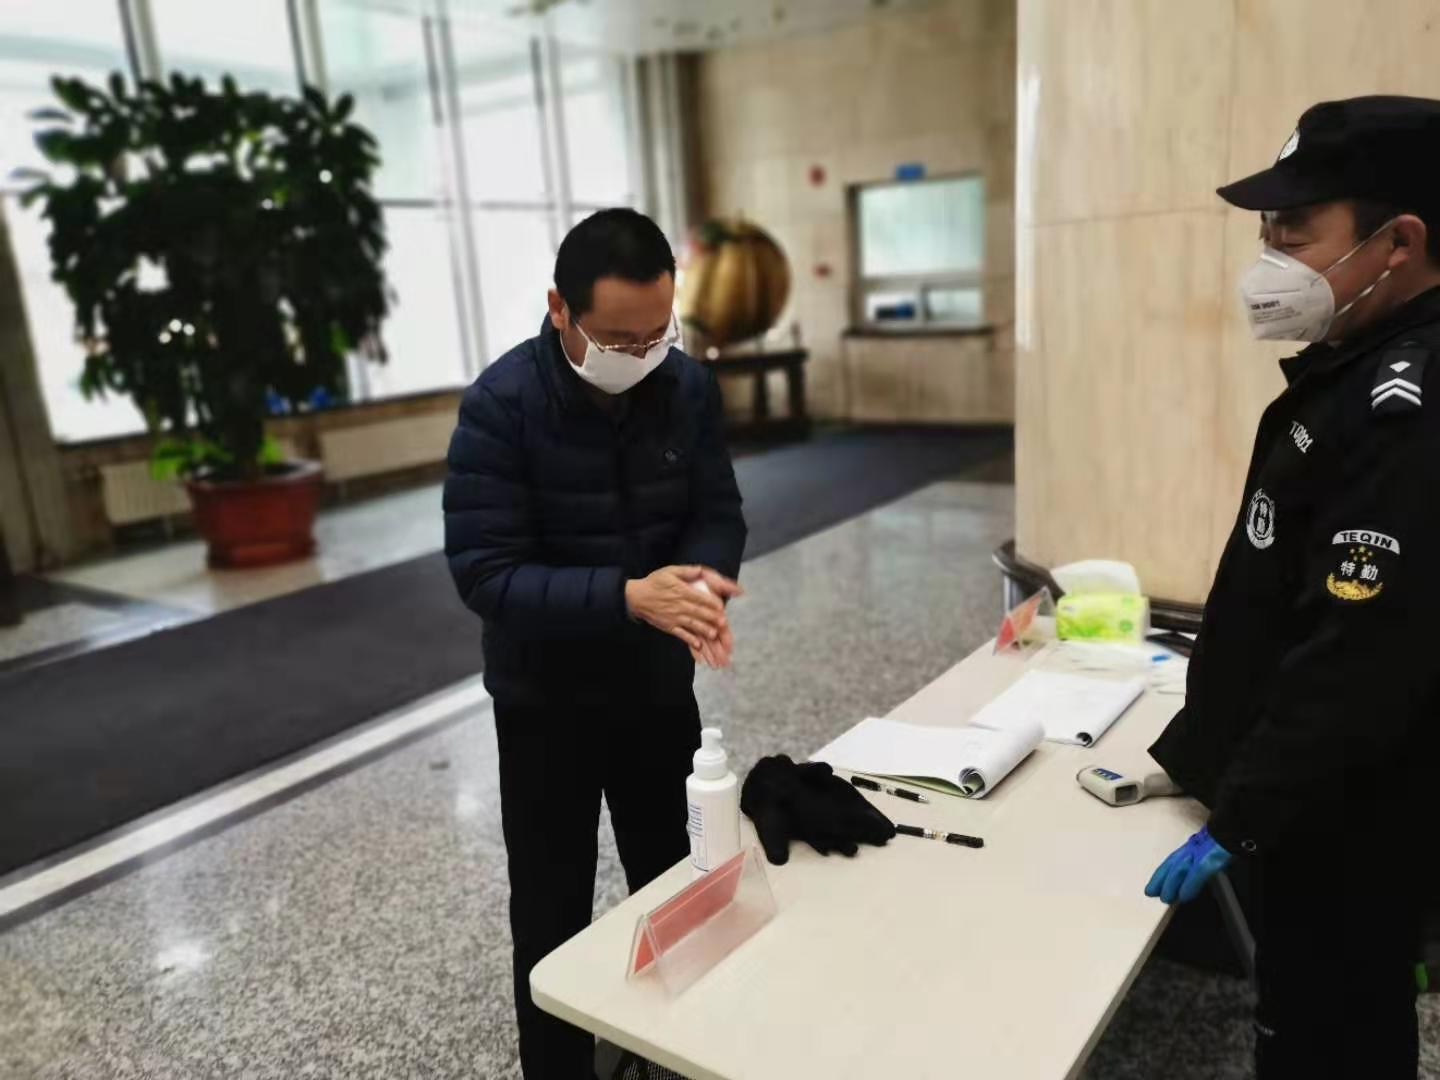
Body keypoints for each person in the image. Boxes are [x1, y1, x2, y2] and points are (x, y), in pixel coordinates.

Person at [1144, 96, 1440, 1077]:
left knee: (1328, 1029)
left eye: (1294, 231)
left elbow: (1359, 654)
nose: (1267, 257)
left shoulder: (1408, 406)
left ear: (1398, 243)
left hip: (1350, 817)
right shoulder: (1353, 365)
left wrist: (1245, 813)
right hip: (1319, 801)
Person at [444, 208, 748, 1079]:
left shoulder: (685, 388)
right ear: (559, 310)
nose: (641, 353)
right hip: (546, 703)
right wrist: (625, 596)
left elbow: (716, 510)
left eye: (658, 333)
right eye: (618, 339)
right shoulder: (501, 407)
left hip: (655, 689)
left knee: (680, 879)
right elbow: (486, 573)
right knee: (551, 908)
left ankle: (680, 1055)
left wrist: (701, 583)